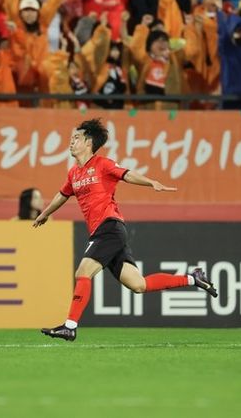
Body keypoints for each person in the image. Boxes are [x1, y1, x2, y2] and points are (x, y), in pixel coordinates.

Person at [35, 119, 218, 342]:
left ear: (89, 142)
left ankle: (70, 326)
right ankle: (193, 279)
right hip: (103, 232)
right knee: (138, 285)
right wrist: (45, 213)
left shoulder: (102, 164)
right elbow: (62, 195)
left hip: (109, 227)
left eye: (76, 138)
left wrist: (151, 182)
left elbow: (127, 174)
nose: (71, 142)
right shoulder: (74, 173)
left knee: (83, 272)